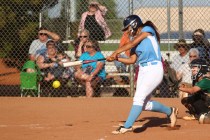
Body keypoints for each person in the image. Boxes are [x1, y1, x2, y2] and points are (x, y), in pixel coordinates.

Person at [106, 15, 178, 134]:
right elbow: (132, 60)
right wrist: (116, 58)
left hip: (154, 69)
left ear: (134, 25)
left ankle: (128, 125)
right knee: (144, 104)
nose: (127, 31)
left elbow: (132, 43)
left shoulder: (147, 30)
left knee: (138, 98)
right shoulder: (136, 43)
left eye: (128, 28)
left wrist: (115, 52)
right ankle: (170, 111)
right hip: (143, 70)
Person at [179, 59, 210, 123]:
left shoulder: (205, 80)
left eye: (194, 67)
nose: (192, 69)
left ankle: (204, 115)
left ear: (201, 69)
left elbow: (192, 91)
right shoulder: (197, 80)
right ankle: (195, 115)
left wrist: (179, 88)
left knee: (203, 120)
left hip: (208, 103)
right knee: (186, 99)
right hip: (205, 102)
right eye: (192, 67)